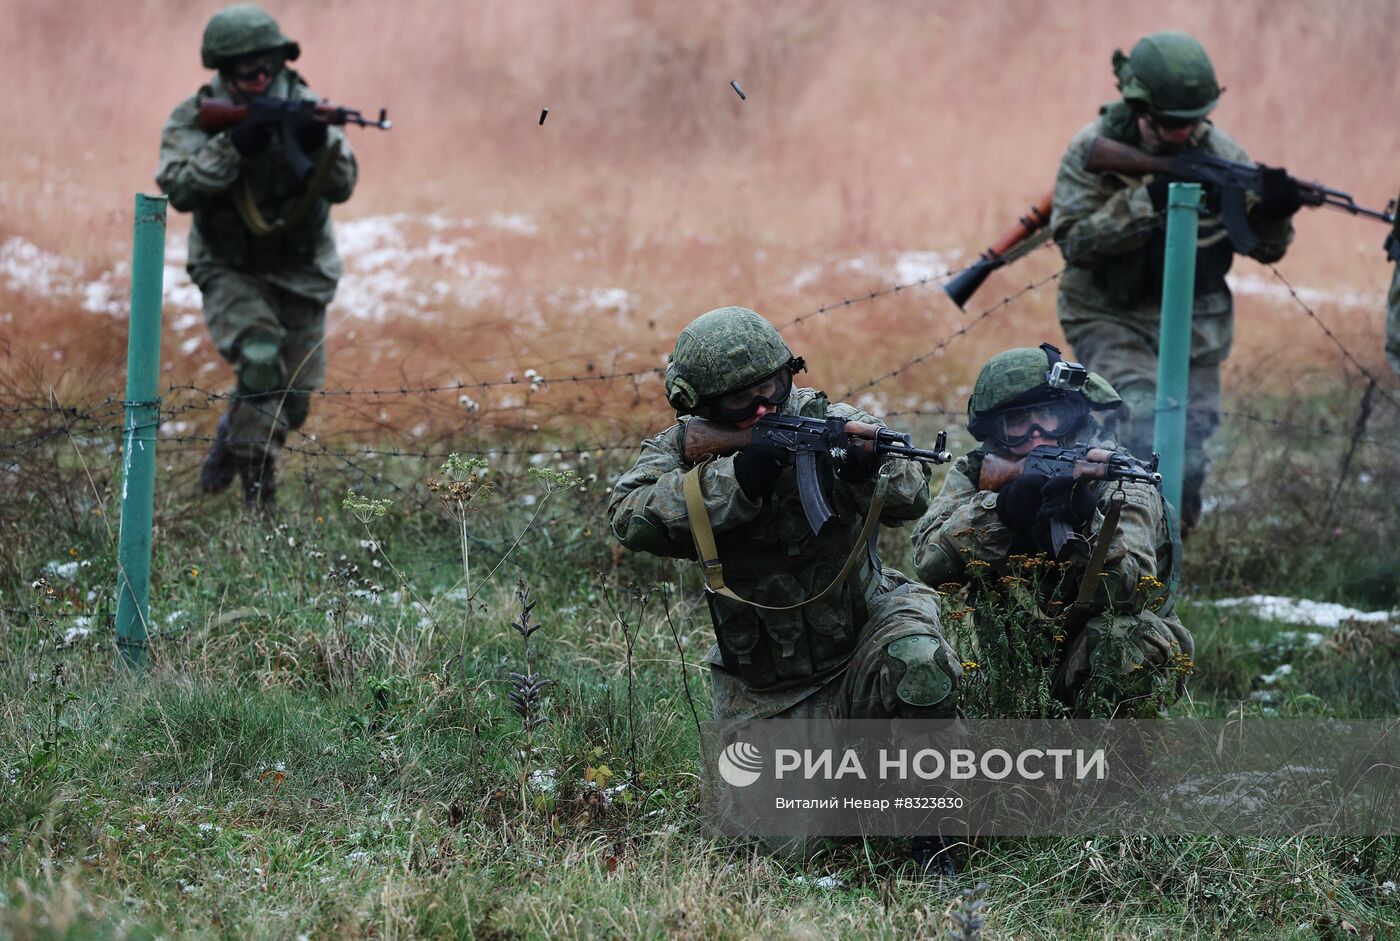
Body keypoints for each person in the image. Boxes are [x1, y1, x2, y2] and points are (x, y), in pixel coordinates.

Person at [608, 306, 962, 874]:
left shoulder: (831, 421)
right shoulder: (681, 449)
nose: (763, 408)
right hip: (768, 681)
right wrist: (738, 478)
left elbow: (913, 493)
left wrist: (862, 469)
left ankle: (935, 840)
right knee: (769, 851)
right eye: (739, 402)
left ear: (789, 375)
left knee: (918, 661)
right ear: (701, 406)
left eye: (771, 388)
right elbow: (631, 517)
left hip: (861, 642)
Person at [1050, 30, 1300, 532]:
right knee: (1138, 421)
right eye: (1168, 124)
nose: (1182, 134)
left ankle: (1174, 543)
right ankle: (1122, 537)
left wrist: (1274, 213)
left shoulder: (1223, 152)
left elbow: (1266, 246)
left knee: (1192, 434)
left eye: (1191, 122)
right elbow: (1074, 241)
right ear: (1139, 108)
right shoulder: (1094, 148)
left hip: (1194, 320)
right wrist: (1151, 199)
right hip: (1109, 312)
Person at [911, 344, 1193, 718]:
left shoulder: (1119, 480)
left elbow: (1131, 590)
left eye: (1050, 416)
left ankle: (1121, 768)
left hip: (1091, 651)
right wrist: (1003, 511)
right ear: (995, 431)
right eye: (1018, 423)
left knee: (1126, 641)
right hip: (1008, 661)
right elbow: (929, 562)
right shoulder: (978, 473)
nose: (1037, 434)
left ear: (1073, 417)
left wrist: (1085, 524)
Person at [157, 4, 358, 509]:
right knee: (260, 360)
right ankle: (257, 495)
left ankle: (232, 436)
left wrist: (315, 145)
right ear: (224, 67)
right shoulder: (196, 116)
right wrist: (234, 146)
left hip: (302, 270)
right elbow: (179, 190)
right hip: (231, 266)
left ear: (281, 58)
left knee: (295, 396)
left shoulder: (307, 105)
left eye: (266, 60)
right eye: (245, 64)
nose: (258, 71)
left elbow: (345, 185)